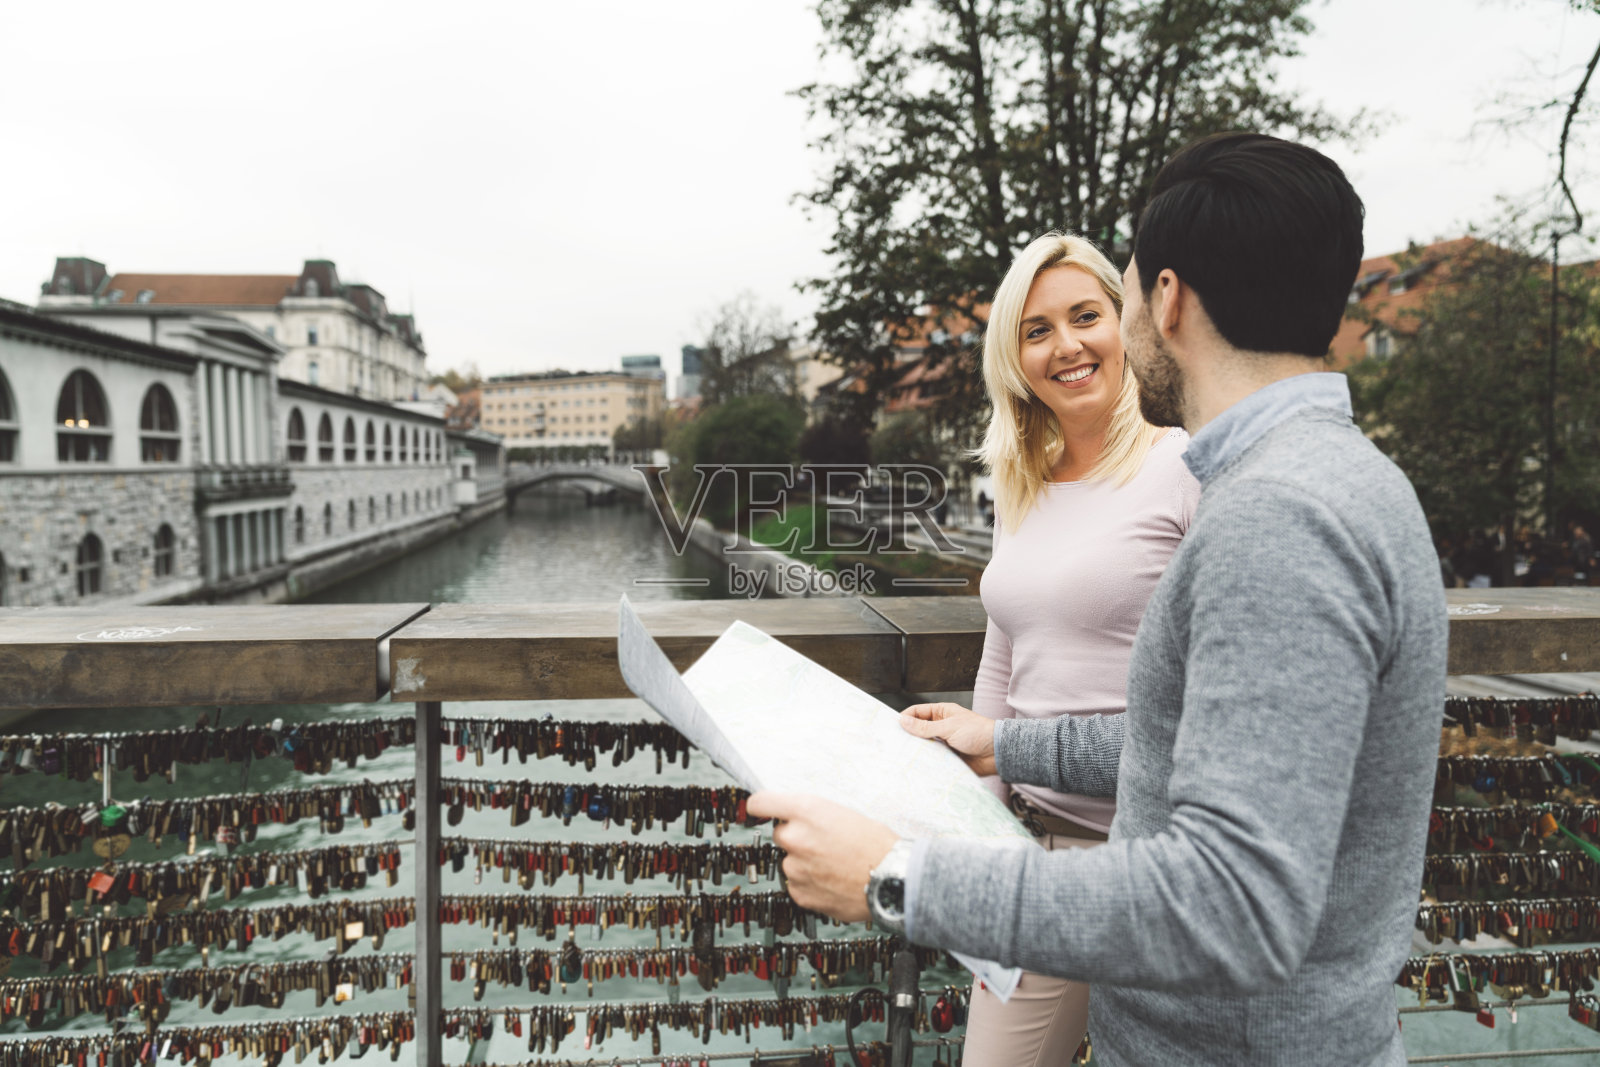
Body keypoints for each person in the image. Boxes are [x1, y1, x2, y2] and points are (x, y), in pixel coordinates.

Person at [748, 132, 1449, 1067]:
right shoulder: (1339, 481)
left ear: (1167, 299)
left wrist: (899, 873)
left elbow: (1230, 904)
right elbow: (1188, 750)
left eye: (1114, 296)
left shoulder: (1279, 519)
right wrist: (998, 747)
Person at [901, 232, 1198, 1066]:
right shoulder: (1023, 474)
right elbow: (1005, 650)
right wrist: (982, 818)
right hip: (1034, 855)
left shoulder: (1183, 465)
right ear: (1014, 354)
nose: (1065, 345)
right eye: (1036, 329)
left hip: (1150, 863)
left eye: (1085, 316)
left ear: (1125, 320)